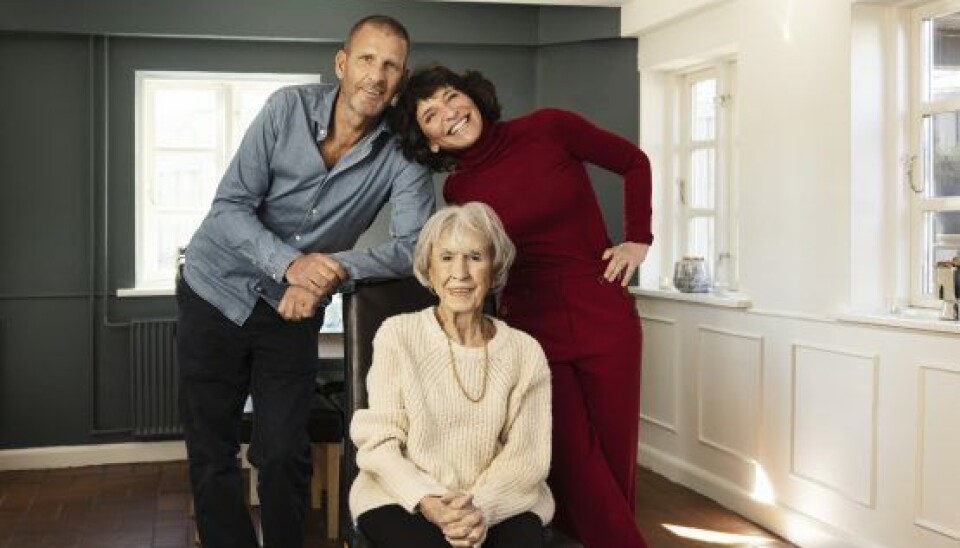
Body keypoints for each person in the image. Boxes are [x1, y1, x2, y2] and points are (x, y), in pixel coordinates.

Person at [176, 15, 435, 548]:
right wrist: (291, 265)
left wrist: (327, 273)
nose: (376, 75)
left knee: (282, 452)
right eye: (366, 59)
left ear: (401, 79)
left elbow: (414, 248)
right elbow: (228, 209)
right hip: (212, 292)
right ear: (342, 64)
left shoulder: (404, 154)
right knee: (211, 449)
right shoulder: (285, 109)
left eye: (390, 65)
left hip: (293, 313)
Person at [391, 65, 653, 548]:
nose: (449, 114)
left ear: (471, 95)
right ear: (427, 140)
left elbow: (634, 161)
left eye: (452, 97)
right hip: (532, 327)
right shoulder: (455, 194)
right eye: (431, 114)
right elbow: (472, 271)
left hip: (602, 308)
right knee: (572, 461)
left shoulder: (550, 127)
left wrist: (638, 239)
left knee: (615, 463)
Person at [349, 202, 554, 548]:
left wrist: (479, 510)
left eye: (474, 257)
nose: (460, 272)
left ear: (494, 268)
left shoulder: (525, 351)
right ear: (429, 268)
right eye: (446, 258)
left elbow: (527, 455)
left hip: (501, 502)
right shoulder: (397, 335)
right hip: (401, 497)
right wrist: (426, 500)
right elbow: (380, 442)